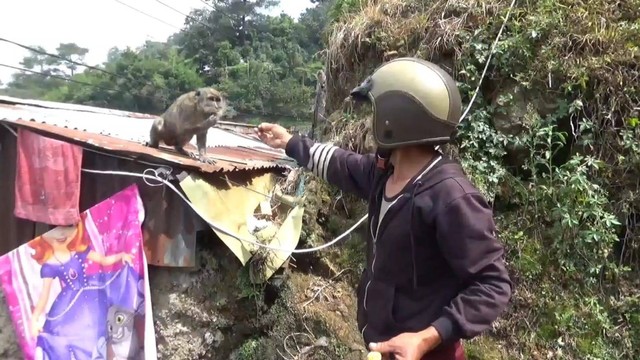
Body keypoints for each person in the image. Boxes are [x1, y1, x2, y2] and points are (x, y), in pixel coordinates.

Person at [256, 57, 512, 360]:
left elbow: (492, 284)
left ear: (396, 118)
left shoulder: (451, 198)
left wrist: (426, 338)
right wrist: (288, 142)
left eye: (376, 111)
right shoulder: (386, 173)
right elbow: (339, 163)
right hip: (383, 347)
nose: (371, 120)